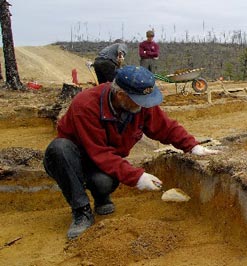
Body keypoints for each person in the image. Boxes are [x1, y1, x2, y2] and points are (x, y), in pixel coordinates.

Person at [43, 65, 220, 240]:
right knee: (59, 149)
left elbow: (165, 127)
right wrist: (137, 177)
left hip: (104, 161)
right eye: (140, 101)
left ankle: (101, 197)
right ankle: (81, 212)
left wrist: (192, 146)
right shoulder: (86, 106)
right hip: (75, 159)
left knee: (103, 183)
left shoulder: (138, 103)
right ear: (121, 95)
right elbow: (99, 153)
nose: (145, 106)